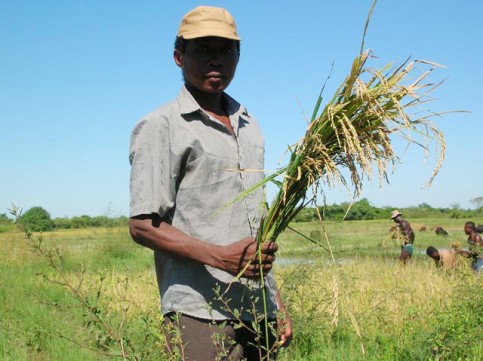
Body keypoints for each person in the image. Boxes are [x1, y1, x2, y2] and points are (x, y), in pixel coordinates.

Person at [128, 6, 292, 360]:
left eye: (225, 49)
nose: (215, 58)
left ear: (238, 56)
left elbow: (255, 228)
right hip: (198, 311)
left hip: (257, 310)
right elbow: (142, 226)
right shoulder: (162, 125)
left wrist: (275, 300)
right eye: (203, 49)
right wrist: (220, 258)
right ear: (178, 56)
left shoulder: (250, 127)